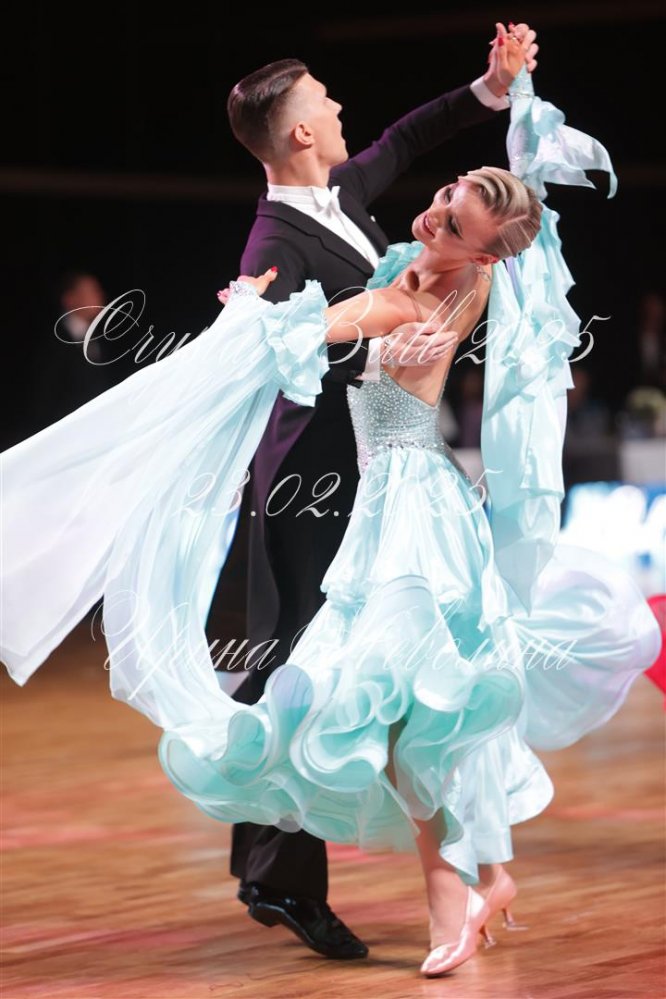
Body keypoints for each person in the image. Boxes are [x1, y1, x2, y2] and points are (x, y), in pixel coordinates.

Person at [1, 74, 660, 978]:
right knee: (372, 687)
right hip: (339, 488)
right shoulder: (334, 245)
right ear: (301, 132)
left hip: (401, 506)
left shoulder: (412, 274)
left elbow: (343, 295)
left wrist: (258, 317)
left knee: (393, 700)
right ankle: (409, 876)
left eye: (450, 216)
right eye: (443, 199)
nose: (429, 211)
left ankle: (433, 895)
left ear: (478, 249)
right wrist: (261, 313)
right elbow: (367, 270)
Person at [222, 21, 538, 956]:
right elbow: (283, 330)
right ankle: (284, 877)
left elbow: (408, 136)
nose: (339, 106)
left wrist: (489, 90)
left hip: (387, 480)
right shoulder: (274, 238)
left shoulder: (353, 197)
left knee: (388, 677)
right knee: (303, 668)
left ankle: (459, 877)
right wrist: (250, 316)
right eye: (323, 100)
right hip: (310, 477)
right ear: (299, 132)